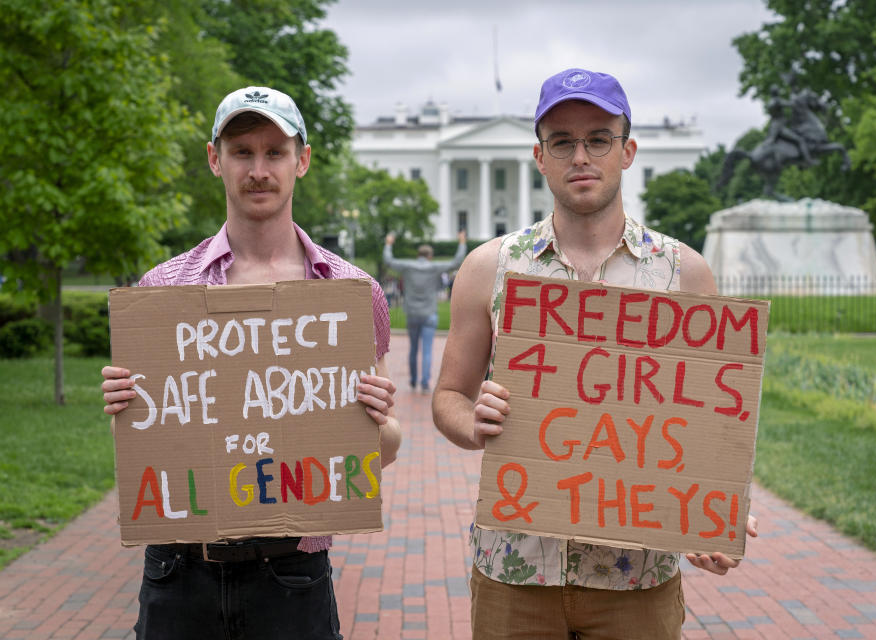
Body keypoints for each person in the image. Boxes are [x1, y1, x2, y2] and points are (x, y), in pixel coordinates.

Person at [431, 68, 758, 640]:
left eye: (598, 139)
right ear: (540, 156)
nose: (580, 155)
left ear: (627, 151)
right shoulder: (490, 267)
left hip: (636, 578)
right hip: (516, 568)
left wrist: (716, 513)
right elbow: (448, 397)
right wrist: (473, 422)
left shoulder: (683, 272)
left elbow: (711, 425)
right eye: (562, 141)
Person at [100, 86, 401, 640]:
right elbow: (154, 439)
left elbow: (382, 450)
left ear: (301, 160)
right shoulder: (164, 290)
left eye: (274, 152)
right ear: (215, 159)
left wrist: (376, 421)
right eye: (242, 151)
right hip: (180, 570)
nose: (258, 169)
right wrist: (125, 408)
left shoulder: (350, 293)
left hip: (292, 575)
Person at [383, 229, 466, 392]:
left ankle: (413, 379)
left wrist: (388, 244)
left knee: (413, 349)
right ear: (430, 256)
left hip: (412, 313)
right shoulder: (434, 267)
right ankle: (425, 382)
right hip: (429, 313)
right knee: (427, 350)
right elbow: (456, 262)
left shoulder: (408, 266)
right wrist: (462, 242)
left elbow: (388, 260)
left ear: (418, 255)